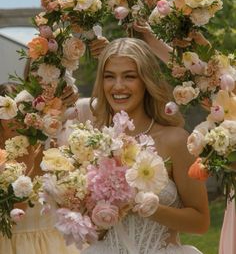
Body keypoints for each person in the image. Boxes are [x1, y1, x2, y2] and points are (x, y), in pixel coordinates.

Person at [69, 38, 209, 254]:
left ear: (146, 80)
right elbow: (97, 232)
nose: (118, 86)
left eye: (129, 76)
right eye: (109, 77)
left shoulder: (176, 140)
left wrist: (145, 207)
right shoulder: (93, 141)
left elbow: (200, 223)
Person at [0, 82, 80, 254]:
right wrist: (28, 166)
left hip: (54, 245)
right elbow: (11, 217)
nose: (18, 119)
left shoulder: (49, 151)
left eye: (22, 112)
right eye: (8, 113)